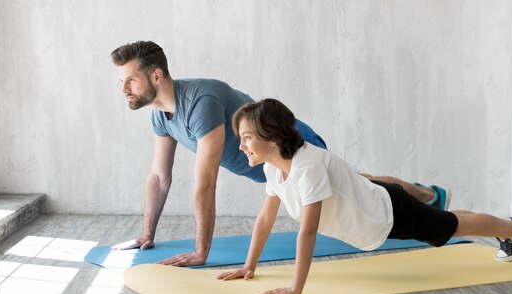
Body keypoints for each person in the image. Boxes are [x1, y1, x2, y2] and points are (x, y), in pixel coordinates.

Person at [110, 40, 451, 266]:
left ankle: (426, 196)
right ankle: (424, 195)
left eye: (131, 80)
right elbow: (159, 176)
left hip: (293, 146)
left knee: (360, 189)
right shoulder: (160, 115)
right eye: (122, 82)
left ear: (156, 75)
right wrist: (147, 234)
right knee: (359, 183)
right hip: (266, 168)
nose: (124, 89)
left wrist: (202, 252)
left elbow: (205, 184)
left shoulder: (201, 101)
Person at [216, 98, 512, 294]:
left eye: (247, 138)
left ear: (272, 136)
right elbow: (264, 220)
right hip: (375, 213)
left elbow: (308, 233)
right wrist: (249, 265)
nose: (242, 147)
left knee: (448, 226)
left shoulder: (307, 167)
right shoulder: (276, 170)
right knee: (446, 220)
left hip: (387, 213)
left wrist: (295, 290)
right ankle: (506, 228)